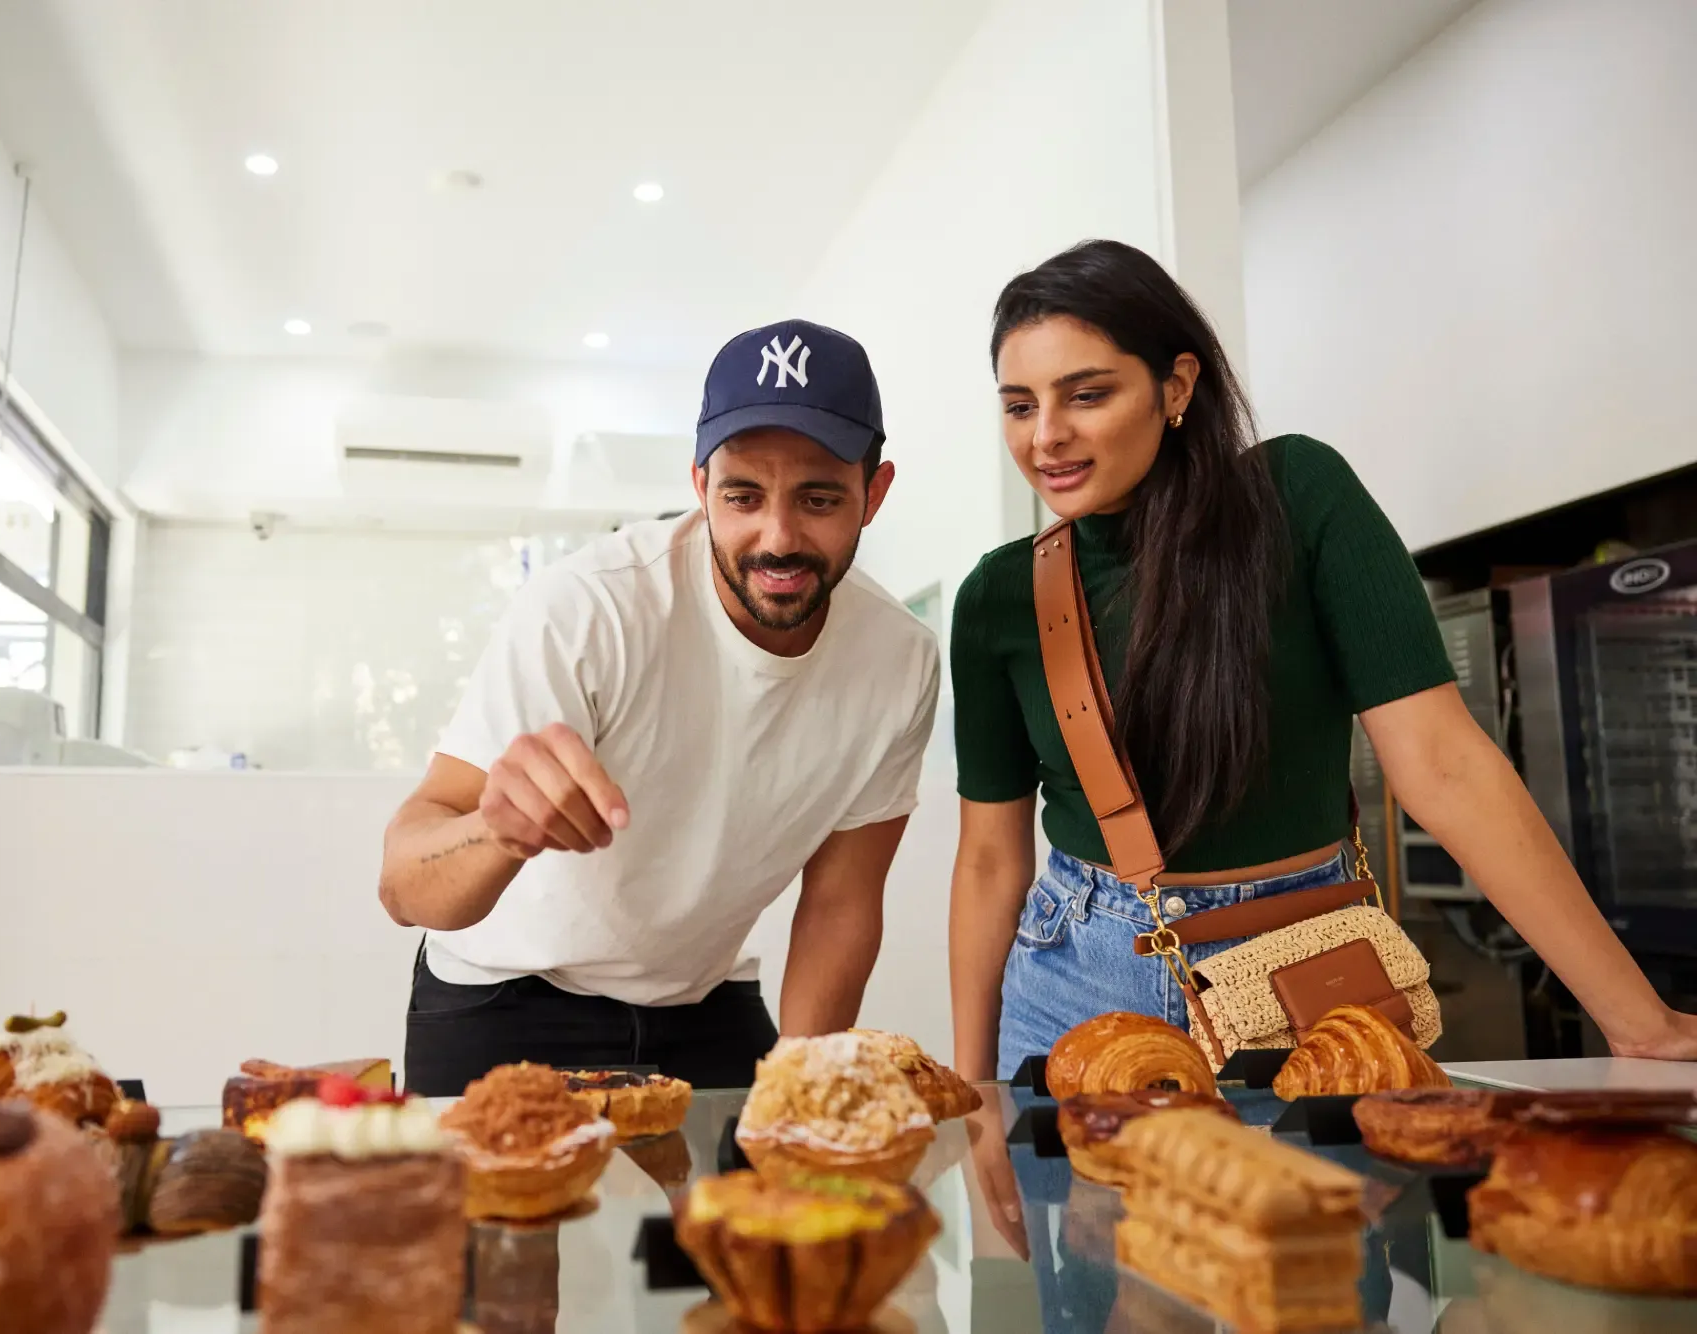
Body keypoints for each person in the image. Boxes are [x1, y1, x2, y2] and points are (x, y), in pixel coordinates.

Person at [947, 238, 1697, 1084]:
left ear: (1178, 386)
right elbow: (987, 860)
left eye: (1087, 394)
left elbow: (1445, 765)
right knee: (1083, 1221)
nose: (1047, 437)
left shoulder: (1300, 497)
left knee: (1334, 1214)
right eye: (1019, 406)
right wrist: (973, 1094)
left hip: (1311, 973)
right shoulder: (997, 599)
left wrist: (1642, 1025)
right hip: (1074, 978)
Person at [381, 319, 940, 1096]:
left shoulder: (901, 659)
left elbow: (841, 905)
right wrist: (497, 832)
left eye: (819, 498)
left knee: (759, 1210)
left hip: (704, 1002)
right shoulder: (590, 608)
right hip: (503, 1000)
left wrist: (798, 1098)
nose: (777, 537)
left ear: (873, 495)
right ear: (699, 485)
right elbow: (404, 888)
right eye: (742, 495)